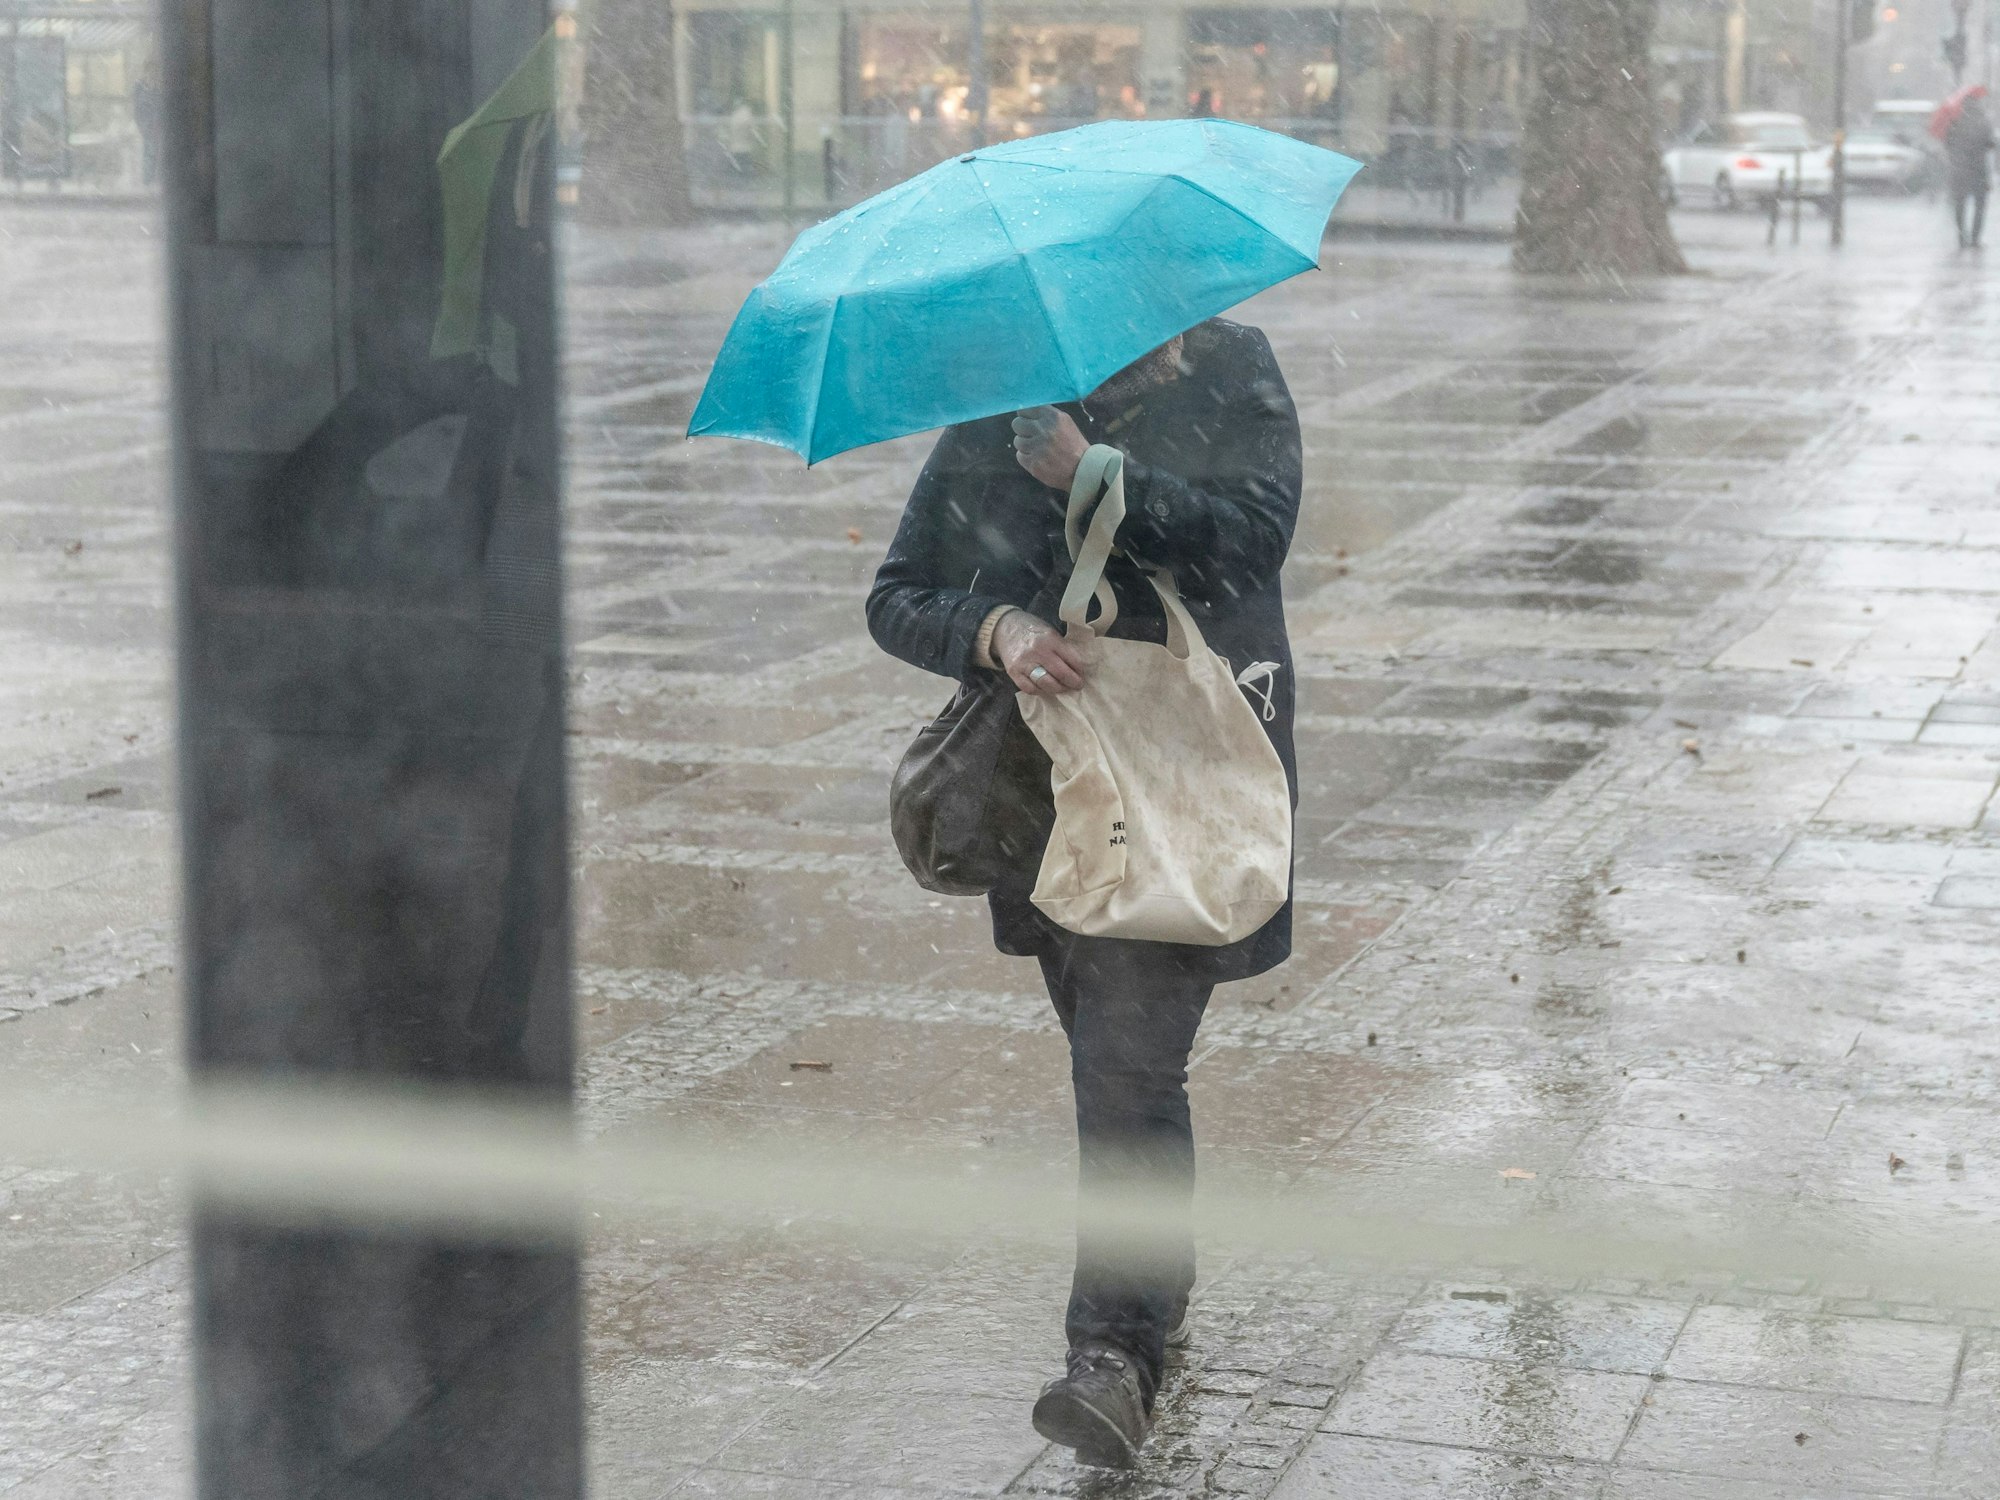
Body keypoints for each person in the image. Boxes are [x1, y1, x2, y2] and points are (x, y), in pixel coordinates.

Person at [866, 321, 1301, 1466]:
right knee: (1120, 1070)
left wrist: (1096, 475)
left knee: (1126, 1066)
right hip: (1048, 803)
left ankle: (1110, 1358)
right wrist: (994, 629)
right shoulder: (1000, 400)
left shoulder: (1230, 369)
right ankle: (1152, 1271)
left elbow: (1249, 545)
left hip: (1190, 781)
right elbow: (898, 593)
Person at [1945, 90, 1994, 249]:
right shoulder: (1983, 122)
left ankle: (1961, 237)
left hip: (1960, 169)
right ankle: (1975, 238)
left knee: (1960, 204)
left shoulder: (1955, 121)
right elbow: (1990, 144)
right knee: (1980, 205)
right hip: (1978, 170)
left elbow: (1948, 142)